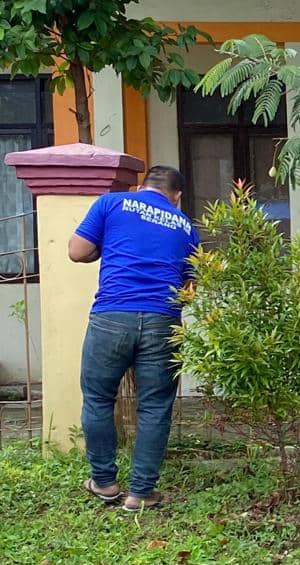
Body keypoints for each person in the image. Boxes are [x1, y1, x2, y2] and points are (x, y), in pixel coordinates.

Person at [68, 165, 200, 512]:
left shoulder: (111, 204)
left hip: (112, 315)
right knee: (155, 407)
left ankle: (104, 482)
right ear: (178, 196)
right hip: (162, 320)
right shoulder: (186, 227)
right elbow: (190, 289)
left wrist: (103, 249)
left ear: (142, 186)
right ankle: (140, 494)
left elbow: (77, 251)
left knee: (98, 398)